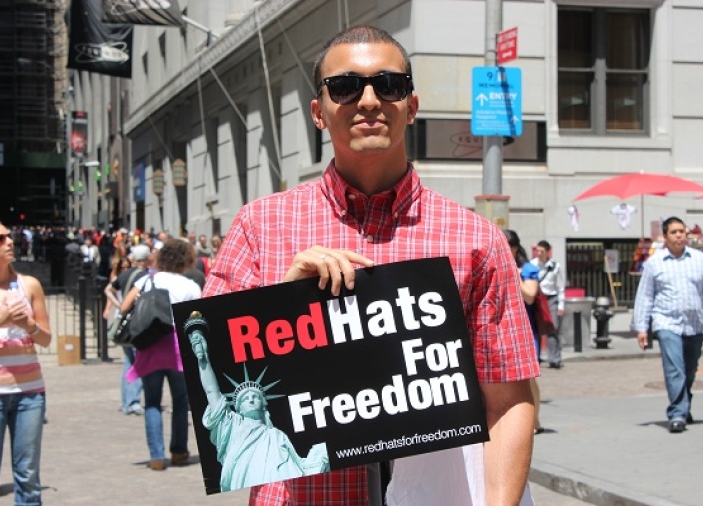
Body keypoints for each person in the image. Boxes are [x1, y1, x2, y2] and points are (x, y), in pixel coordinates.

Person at [204, 25, 538, 506]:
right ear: (318, 112)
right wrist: (280, 304)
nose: (367, 100)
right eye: (344, 86)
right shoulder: (261, 226)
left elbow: (507, 398)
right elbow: (207, 375)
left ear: (412, 105)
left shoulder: (475, 239)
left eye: (389, 84)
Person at [186, 314, 329, 490]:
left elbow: (299, 465)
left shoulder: (277, 435)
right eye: (245, 398)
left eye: (256, 397)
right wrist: (203, 358)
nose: (252, 399)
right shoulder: (232, 425)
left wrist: (320, 453)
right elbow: (211, 390)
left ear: (264, 404)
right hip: (248, 476)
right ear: (238, 408)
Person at [632, 216, 703, 433]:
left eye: (682, 231)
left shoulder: (699, 259)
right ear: (666, 237)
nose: (679, 235)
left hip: (694, 323)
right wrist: (642, 327)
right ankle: (677, 413)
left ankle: (684, 403)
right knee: (674, 369)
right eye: (674, 232)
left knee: (689, 369)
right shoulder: (654, 263)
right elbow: (645, 297)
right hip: (666, 322)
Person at [0, 219, 52, 505]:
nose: (9, 242)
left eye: (9, 237)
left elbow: (45, 339)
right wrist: (0, 320)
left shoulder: (29, 285)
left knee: (28, 477)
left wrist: (29, 325)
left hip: (30, 393)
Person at [120, 239, 201, 470]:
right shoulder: (190, 285)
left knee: (152, 402)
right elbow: (197, 318)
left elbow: (125, 306)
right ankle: (178, 451)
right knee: (180, 401)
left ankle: (156, 456)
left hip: (150, 343)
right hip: (177, 347)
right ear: (186, 259)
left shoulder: (148, 279)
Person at [105, 244, 152, 416]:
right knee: (137, 362)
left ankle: (125, 401)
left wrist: (118, 305)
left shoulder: (124, 274)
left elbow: (108, 289)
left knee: (128, 362)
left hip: (122, 321)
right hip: (136, 323)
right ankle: (132, 401)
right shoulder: (144, 276)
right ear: (146, 259)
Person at [505, 230, 544, 435]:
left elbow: (529, 295)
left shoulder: (527, 269)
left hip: (526, 329)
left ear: (516, 247)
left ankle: (534, 418)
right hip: (504, 328)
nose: (506, 249)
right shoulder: (496, 266)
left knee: (529, 378)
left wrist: (513, 274)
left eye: (509, 246)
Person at [530, 240, 565, 368]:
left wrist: (561, 305)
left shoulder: (555, 266)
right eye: (537, 251)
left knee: (553, 328)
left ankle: (554, 359)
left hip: (551, 298)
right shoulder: (532, 265)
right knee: (537, 327)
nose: (539, 253)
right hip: (537, 298)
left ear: (547, 252)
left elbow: (560, 286)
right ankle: (536, 358)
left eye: (541, 251)